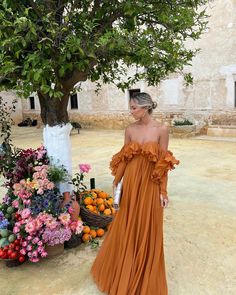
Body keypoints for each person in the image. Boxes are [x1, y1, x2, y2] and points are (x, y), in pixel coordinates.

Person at [91, 92, 179, 295]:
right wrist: (117, 181)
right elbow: (124, 159)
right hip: (131, 182)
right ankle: (125, 272)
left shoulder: (162, 130)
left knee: (148, 225)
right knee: (128, 224)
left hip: (150, 183)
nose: (130, 112)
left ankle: (143, 274)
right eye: (130, 107)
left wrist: (163, 190)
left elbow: (163, 163)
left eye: (133, 108)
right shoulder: (130, 129)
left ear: (146, 107)